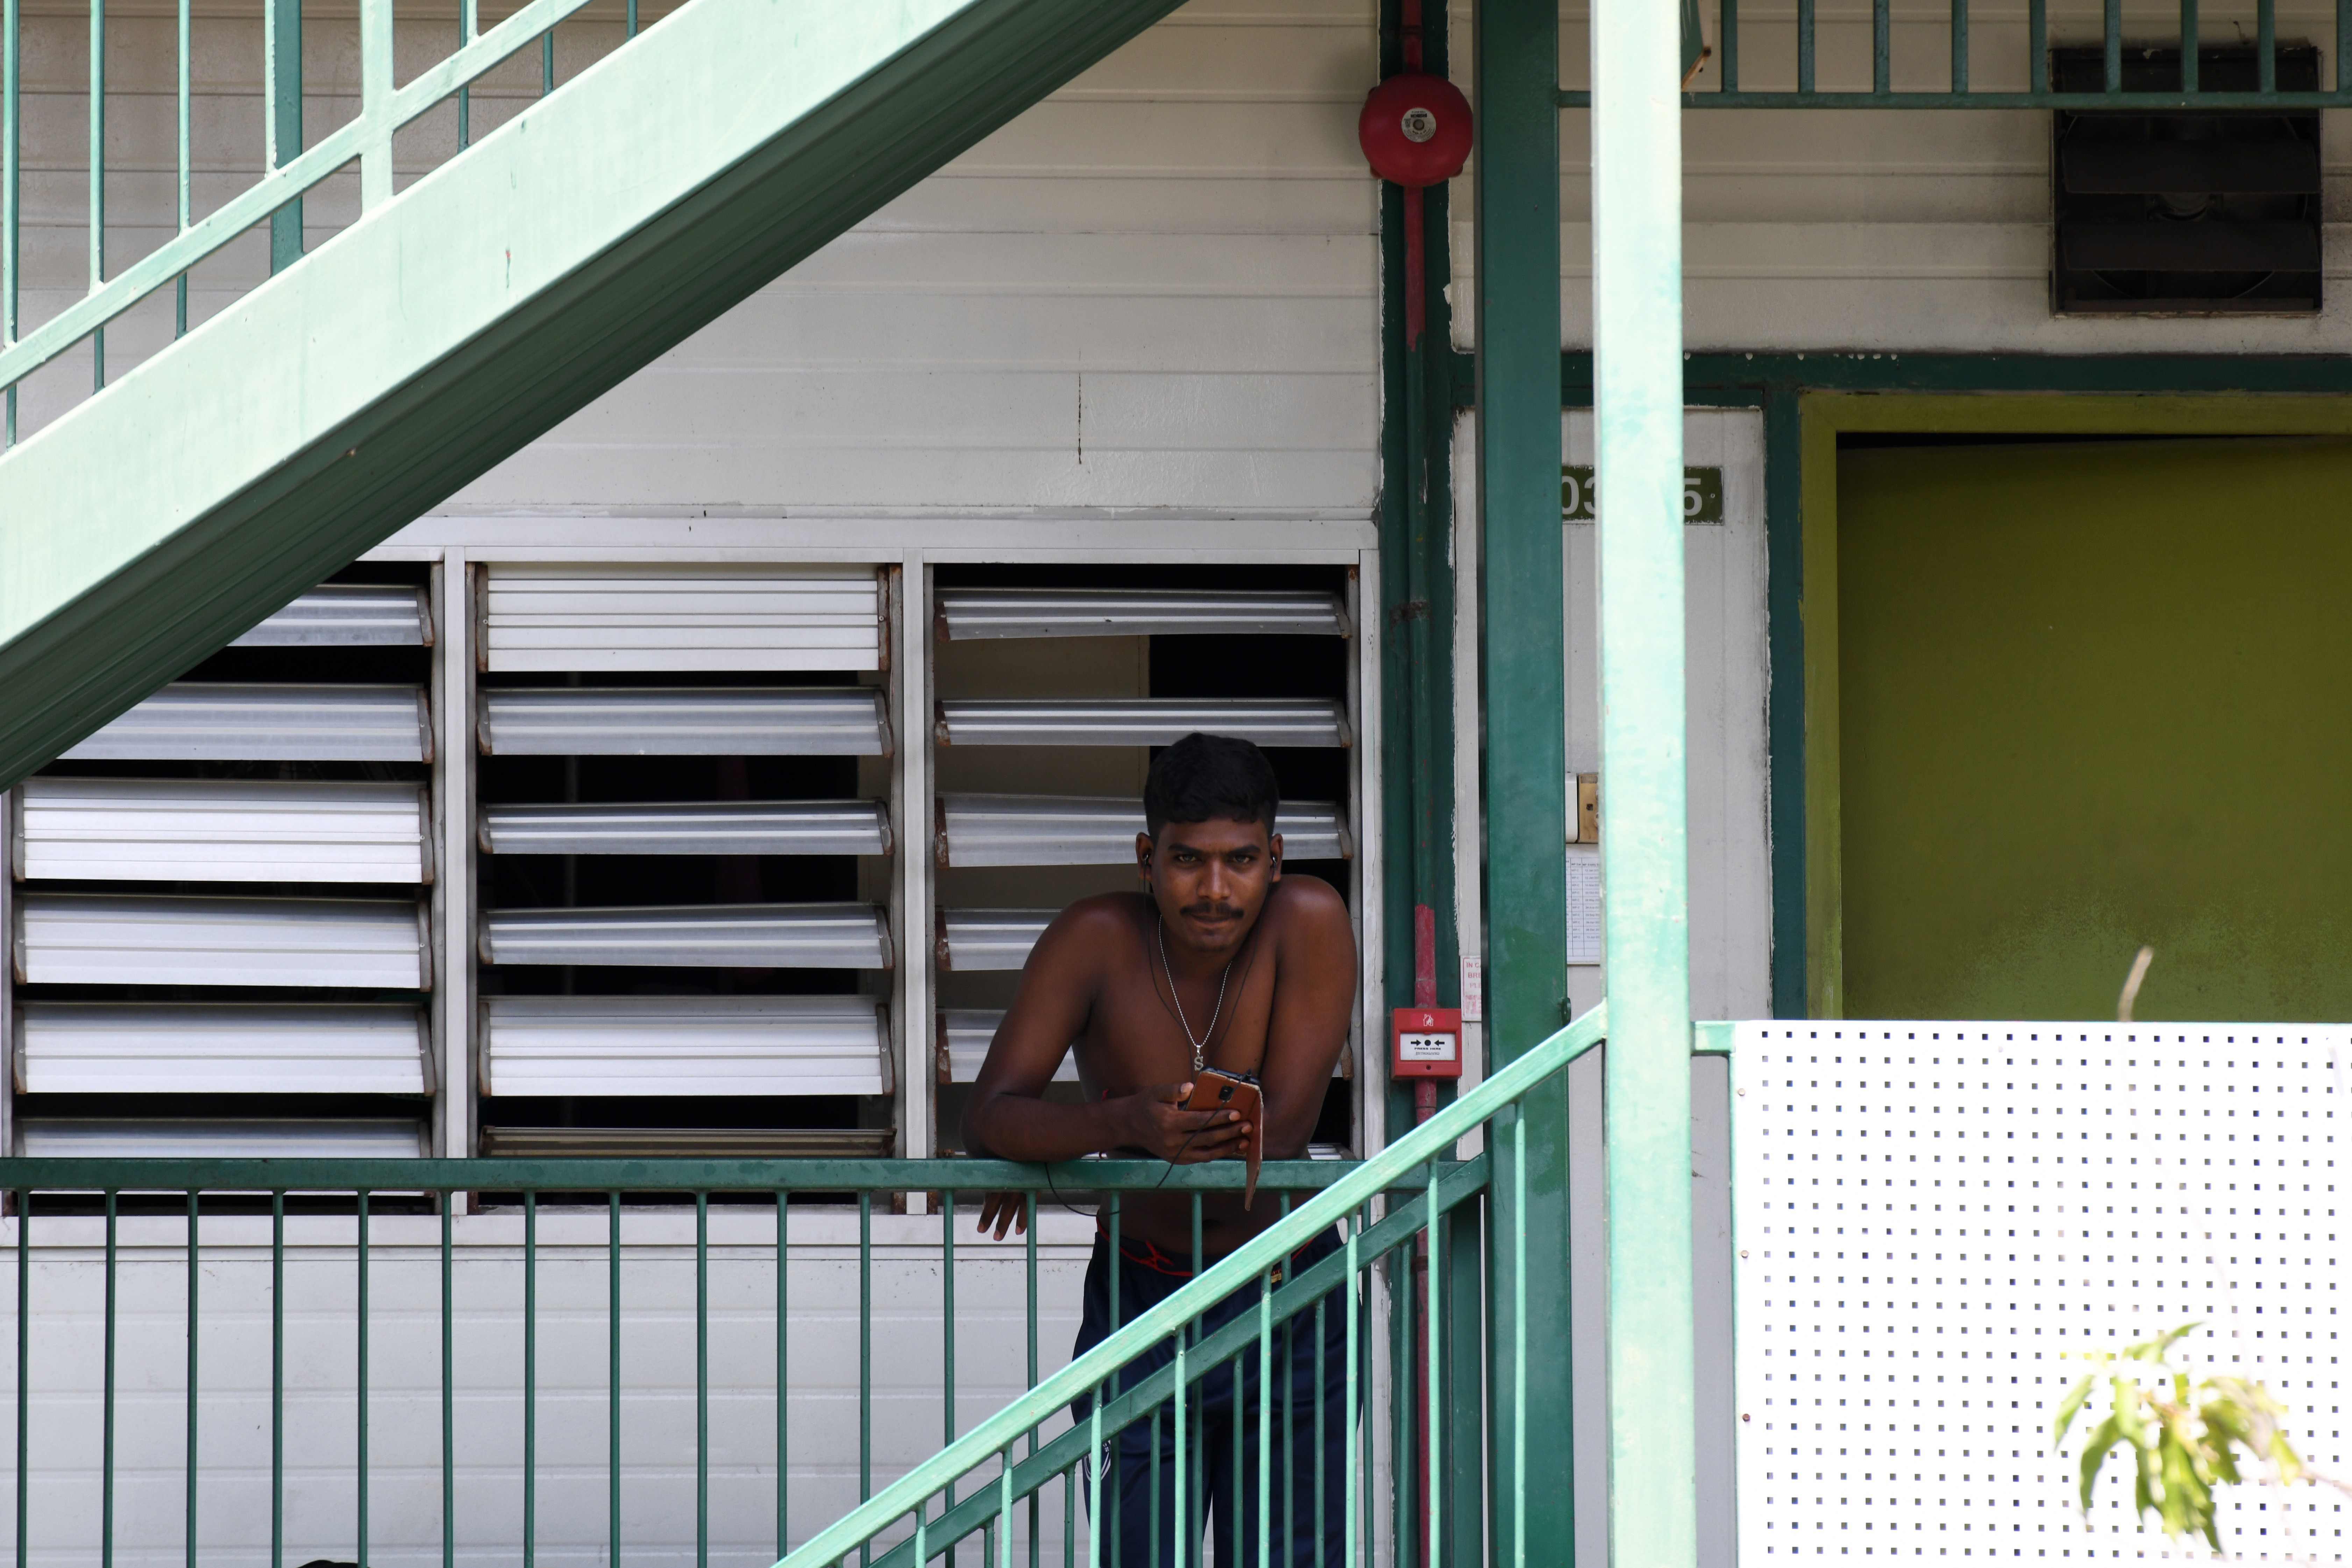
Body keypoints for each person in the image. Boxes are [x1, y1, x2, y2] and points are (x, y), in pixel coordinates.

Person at [962, 731, 1358, 1568]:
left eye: (1241, 859)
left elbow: (1277, 1136)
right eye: (1188, 860)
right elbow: (990, 1115)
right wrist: (1121, 1126)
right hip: (1140, 1291)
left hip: (1289, 1289)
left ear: (1276, 858)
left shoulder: (1309, 920)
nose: (1215, 890)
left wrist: (1061, 1140)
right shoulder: (1095, 938)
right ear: (1148, 857)